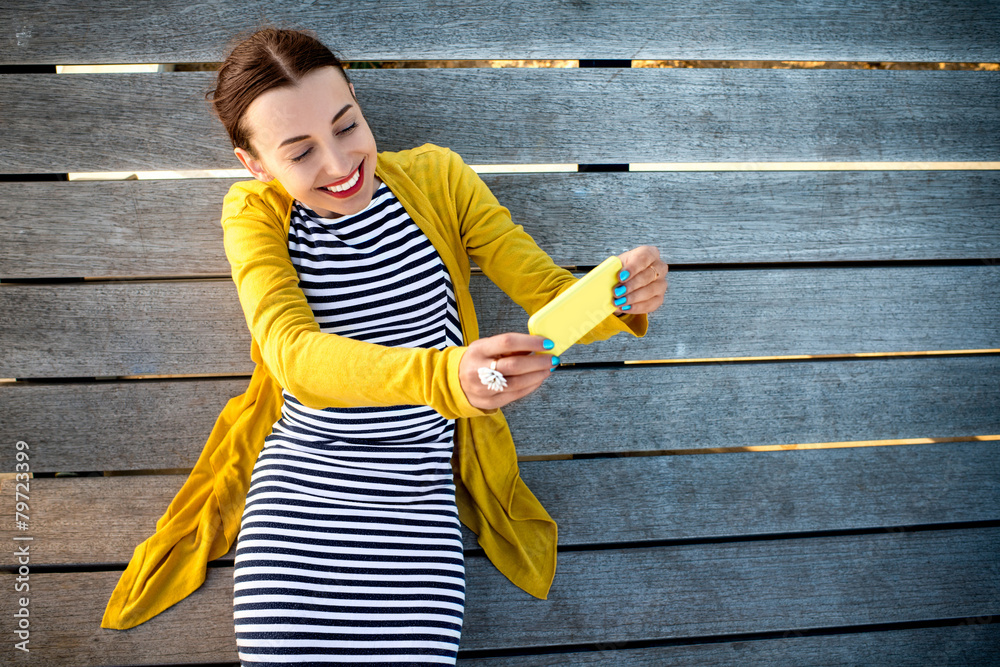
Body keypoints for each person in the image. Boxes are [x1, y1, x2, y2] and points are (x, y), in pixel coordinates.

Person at [103, 27, 668, 666]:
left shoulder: (439, 179)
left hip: (417, 500)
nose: (340, 165)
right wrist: (445, 377)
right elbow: (292, 354)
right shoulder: (253, 215)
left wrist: (615, 295)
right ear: (254, 163)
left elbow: (541, 287)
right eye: (299, 152)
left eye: (347, 125)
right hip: (301, 500)